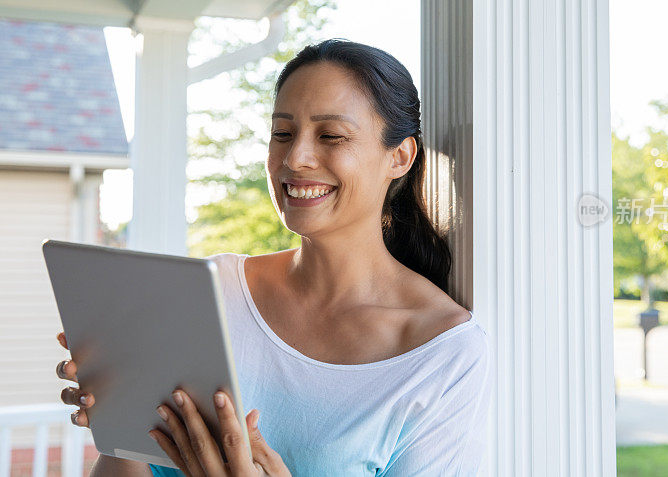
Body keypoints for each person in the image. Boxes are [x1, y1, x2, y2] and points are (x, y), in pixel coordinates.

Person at [55, 39, 493, 476]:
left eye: (331, 136)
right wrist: (121, 415)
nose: (295, 158)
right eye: (282, 134)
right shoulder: (216, 290)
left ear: (400, 156)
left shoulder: (443, 352)